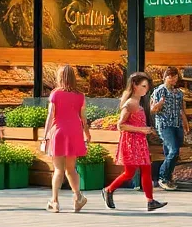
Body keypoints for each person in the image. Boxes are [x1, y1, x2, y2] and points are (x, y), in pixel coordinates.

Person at [102, 73, 167, 212]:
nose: (146, 89)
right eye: (143, 86)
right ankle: (108, 190)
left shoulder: (138, 102)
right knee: (130, 173)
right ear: (134, 85)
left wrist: (146, 130)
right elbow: (121, 125)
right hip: (131, 141)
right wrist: (142, 129)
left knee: (145, 169)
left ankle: (150, 201)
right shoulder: (130, 103)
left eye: (147, 86)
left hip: (139, 141)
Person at [41, 64, 91, 213]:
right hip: (74, 132)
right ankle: (77, 198)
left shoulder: (55, 94)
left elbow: (51, 116)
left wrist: (45, 135)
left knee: (58, 169)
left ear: (59, 78)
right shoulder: (80, 96)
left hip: (58, 132)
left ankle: (55, 201)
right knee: (71, 169)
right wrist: (87, 133)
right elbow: (83, 119)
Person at [150, 66, 190, 191]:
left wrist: (185, 124)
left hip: (177, 124)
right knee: (173, 150)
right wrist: (160, 103)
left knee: (172, 153)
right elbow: (153, 109)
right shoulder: (160, 91)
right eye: (170, 76)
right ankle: (162, 177)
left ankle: (168, 177)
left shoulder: (178, 93)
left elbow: (181, 110)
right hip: (165, 125)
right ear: (165, 77)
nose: (173, 79)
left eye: (175, 77)